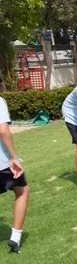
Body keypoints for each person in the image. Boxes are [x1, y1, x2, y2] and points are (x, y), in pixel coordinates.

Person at [0, 96, 30, 253]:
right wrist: (13, 157)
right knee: (22, 190)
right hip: (2, 163)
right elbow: (3, 129)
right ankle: (15, 238)